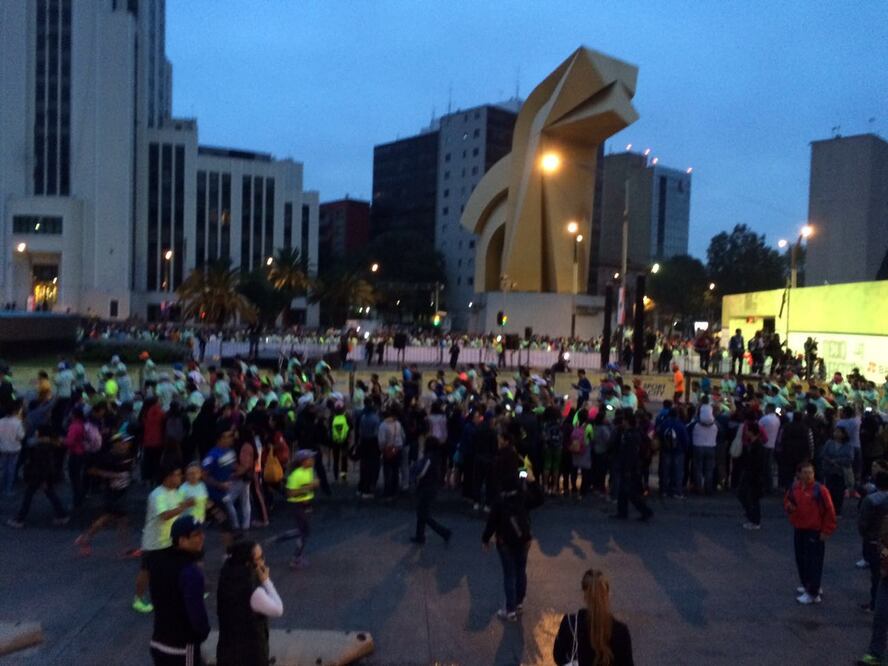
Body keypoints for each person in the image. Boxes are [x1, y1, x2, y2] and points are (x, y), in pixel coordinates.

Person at [482, 431, 531, 622]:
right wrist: (525, 481)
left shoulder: (500, 498)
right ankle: (518, 603)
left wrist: (485, 538)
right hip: (523, 534)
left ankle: (510, 609)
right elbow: (524, 472)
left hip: (505, 538)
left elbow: (492, 520)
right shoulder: (522, 492)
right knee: (521, 570)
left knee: (509, 573)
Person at [148, 515, 210, 665]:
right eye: (196, 535)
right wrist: (202, 633)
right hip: (182, 648)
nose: (202, 537)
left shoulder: (159, 561)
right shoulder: (190, 572)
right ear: (182, 540)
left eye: (201, 532)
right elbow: (196, 612)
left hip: (159, 642)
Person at [133, 463, 194, 614]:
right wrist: (184, 506)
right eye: (178, 474)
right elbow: (164, 516)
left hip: (171, 539)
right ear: (168, 477)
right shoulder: (157, 495)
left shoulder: (175, 491)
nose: (181, 477)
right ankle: (138, 599)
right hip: (154, 542)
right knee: (146, 571)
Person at [216, 540, 283, 666]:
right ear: (249, 563)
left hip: (227, 650)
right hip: (251, 654)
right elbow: (278, 609)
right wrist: (266, 581)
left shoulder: (226, 574)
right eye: (260, 557)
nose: (263, 560)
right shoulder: (253, 591)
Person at [552, 569, 635, 666]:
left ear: (584, 595)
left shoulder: (570, 623)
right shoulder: (621, 631)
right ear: (608, 594)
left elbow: (558, 656)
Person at [75, 434, 138, 557]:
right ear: (116, 444)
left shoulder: (128, 455)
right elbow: (91, 470)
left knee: (111, 518)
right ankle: (126, 549)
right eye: (124, 442)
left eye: (128, 442)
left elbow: (128, 470)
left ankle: (85, 539)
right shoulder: (107, 457)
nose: (127, 444)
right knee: (118, 519)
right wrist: (111, 475)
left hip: (122, 491)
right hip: (112, 492)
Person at [784, 461, 837, 604]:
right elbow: (788, 502)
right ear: (799, 474)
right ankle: (809, 585)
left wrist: (827, 530)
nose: (808, 476)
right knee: (801, 559)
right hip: (800, 529)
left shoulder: (820, 490)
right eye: (805, 472)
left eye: (810, 473)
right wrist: (789, 508)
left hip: (814, 531)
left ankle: (813, 592)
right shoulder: (795, 488)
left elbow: (830, 512)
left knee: (813, 562)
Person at [7, 424, 68, 528]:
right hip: (44, 474)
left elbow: (43, 464)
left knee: (29, 495)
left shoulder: (41, 447)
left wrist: (43, 479)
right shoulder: (50, 444)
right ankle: (62, 514)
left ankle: (20, 518)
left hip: (38, 475)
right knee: (49, 494)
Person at [267, 449, 319, 570]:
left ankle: (282, 539)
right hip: (297, 506)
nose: (313, 460)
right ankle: (295, 558)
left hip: (307, 504)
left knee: (304, 531)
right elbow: (290, 493)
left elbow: (313, 483)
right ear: (303, 461)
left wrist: (313, 485)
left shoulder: (310, 470)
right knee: (305, 532)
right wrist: (307, 487)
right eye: (310, 458)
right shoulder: (295, 475)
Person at [411, 436, 452, 545]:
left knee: (422, 514)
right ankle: (420, 536)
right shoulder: (437, 456)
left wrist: (416, 478)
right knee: (422, 512)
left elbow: (422, 472)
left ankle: (443, 532)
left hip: (426, 487)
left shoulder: (429, 457)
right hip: (432, 486)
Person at [613, 411, 653, 522]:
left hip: (631, 467)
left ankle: (645, 511)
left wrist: (628, 468)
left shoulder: (632, 435)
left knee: (630, 492)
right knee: (624, 491)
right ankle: (622, 512)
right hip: (629, 466)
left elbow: (631, 454)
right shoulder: (630, 433)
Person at [858, 468, 888, 613]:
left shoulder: (871, 500)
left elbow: (863, 522)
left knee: (876, 574)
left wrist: (865, 534)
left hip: (873, 540)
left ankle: (875, 603)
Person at [737, 411, 767, 529]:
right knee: (749, 497)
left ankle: (754, 520)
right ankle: (752, 518)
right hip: (753, 475)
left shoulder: (756, 446)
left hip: (753, 476)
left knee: (750, 498)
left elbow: (757, 463)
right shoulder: (755, 444)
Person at [819, 425, 853, 515]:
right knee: (829, 490)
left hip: (841, 471)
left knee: (839, 491)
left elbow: (850, 458)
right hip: (829, 470)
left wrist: (837, 461)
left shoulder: (848, 445)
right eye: (835, 431)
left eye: (839, 432)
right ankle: (829, 508)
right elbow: (823, 454)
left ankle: (837, 510)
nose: (836, 433)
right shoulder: (829, 443)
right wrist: (830, 461)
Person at [0, 398, 25, 496]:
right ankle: (8, 489)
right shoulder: (18, 422)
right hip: (14, 448)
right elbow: (21, 436)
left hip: (3, 448)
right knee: (11, 469)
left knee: (4, 468)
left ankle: (2, 487)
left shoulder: (0, 421)